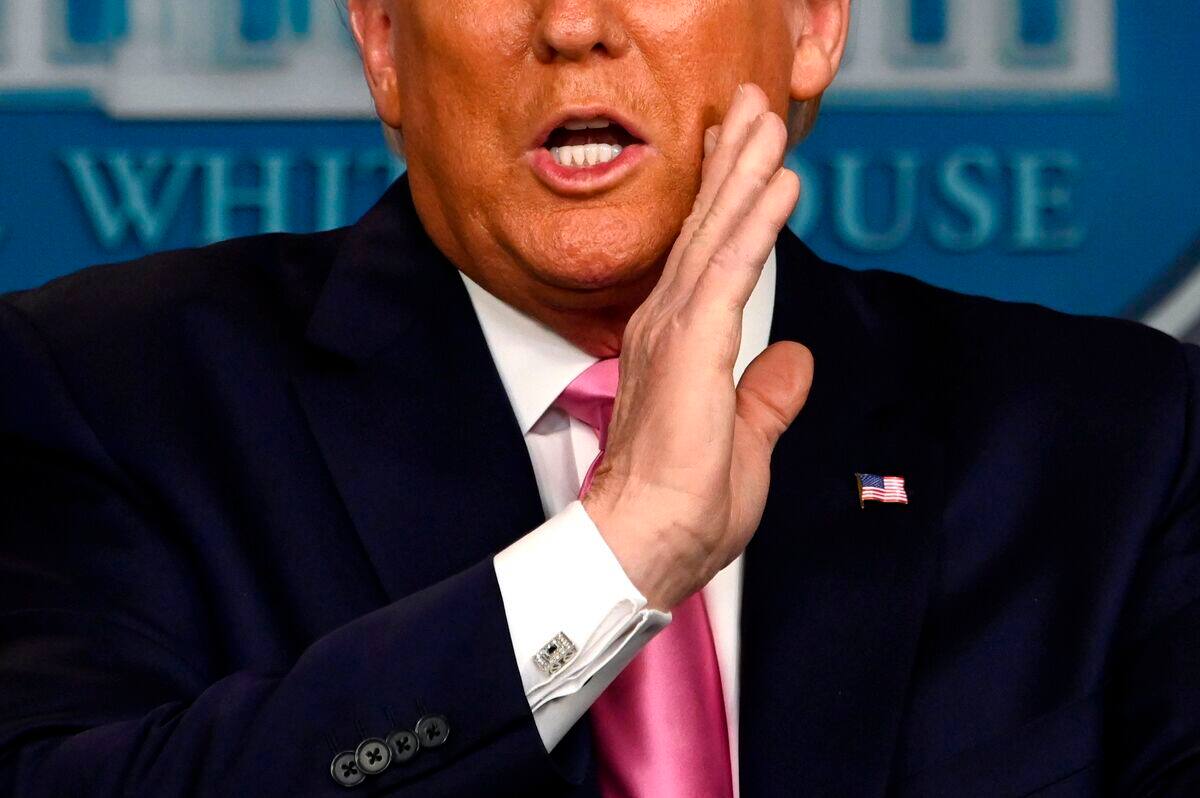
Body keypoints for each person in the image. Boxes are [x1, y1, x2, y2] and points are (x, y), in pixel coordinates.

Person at [0, 0, 1197, 795]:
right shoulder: (100, 391)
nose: (572, 26)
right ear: (383, 42)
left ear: (813, 26)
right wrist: (616, 556)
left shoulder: (1120, 442)